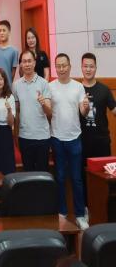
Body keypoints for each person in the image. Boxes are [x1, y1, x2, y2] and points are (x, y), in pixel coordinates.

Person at [49, 53, 89, 230]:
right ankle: (62, 212)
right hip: (57, 138)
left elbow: (83, 112)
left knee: (76, 178)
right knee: (60, 177)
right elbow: (47, 111)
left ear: (70, 66)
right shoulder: (50, 86)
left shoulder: (78, 87)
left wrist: (86, 107)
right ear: (55, 68)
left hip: (74, 138)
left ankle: (80, 214)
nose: (61, 69)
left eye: (64, 65)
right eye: (58, 66)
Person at [12, 50, 52, 171]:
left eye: (29, 61)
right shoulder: (16, 85)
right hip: (24, 137)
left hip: (42, 137)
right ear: (21, 64)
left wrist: (43, 103)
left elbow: (49, 112)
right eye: (24, 61)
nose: (27, 64)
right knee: (28, 174)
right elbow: (17, 112)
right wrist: (16, 135)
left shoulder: (44, 83)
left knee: (42, 174)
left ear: (34, 63)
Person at [80, 52, 116, 160]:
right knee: (81, 171)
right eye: (85, 66)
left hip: (101, 142)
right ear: (81, 67)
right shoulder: (76, 89)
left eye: (91, 66)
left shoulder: (104, 89)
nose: (88, 69)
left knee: (102, 170)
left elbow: (114, 110)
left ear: (96, 68)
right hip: (81, 141)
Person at [0, 20, 18, 85]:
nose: (1, 33)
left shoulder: (14, 51)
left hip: (7, 86)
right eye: (0, 31)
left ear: (9, 32)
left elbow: (13, 73)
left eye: (4, 30)